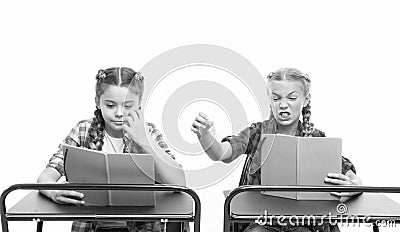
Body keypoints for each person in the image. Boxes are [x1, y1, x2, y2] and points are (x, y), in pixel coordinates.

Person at [191, 67, 361, 232]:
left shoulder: (317, 139)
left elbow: (350, 175)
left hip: (304, 223)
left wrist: (353, 185)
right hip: (260, 222)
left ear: (306, 100)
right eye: (276, 98)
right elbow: (221, 153)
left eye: (292, 98)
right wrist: (204, 135)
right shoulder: (257, 133)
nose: (283, 105)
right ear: (270, 99)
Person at [37, 67, 186, 232]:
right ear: (97, 101)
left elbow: (179, 183)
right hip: (90, 228)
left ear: (139, 102)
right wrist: (54, 193)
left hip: (141, 228)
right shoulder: (83, 130)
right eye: (110, 105)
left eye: (128, 105)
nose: (119, 113)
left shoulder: (149, 132)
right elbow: (46, 176)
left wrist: (146, 142)